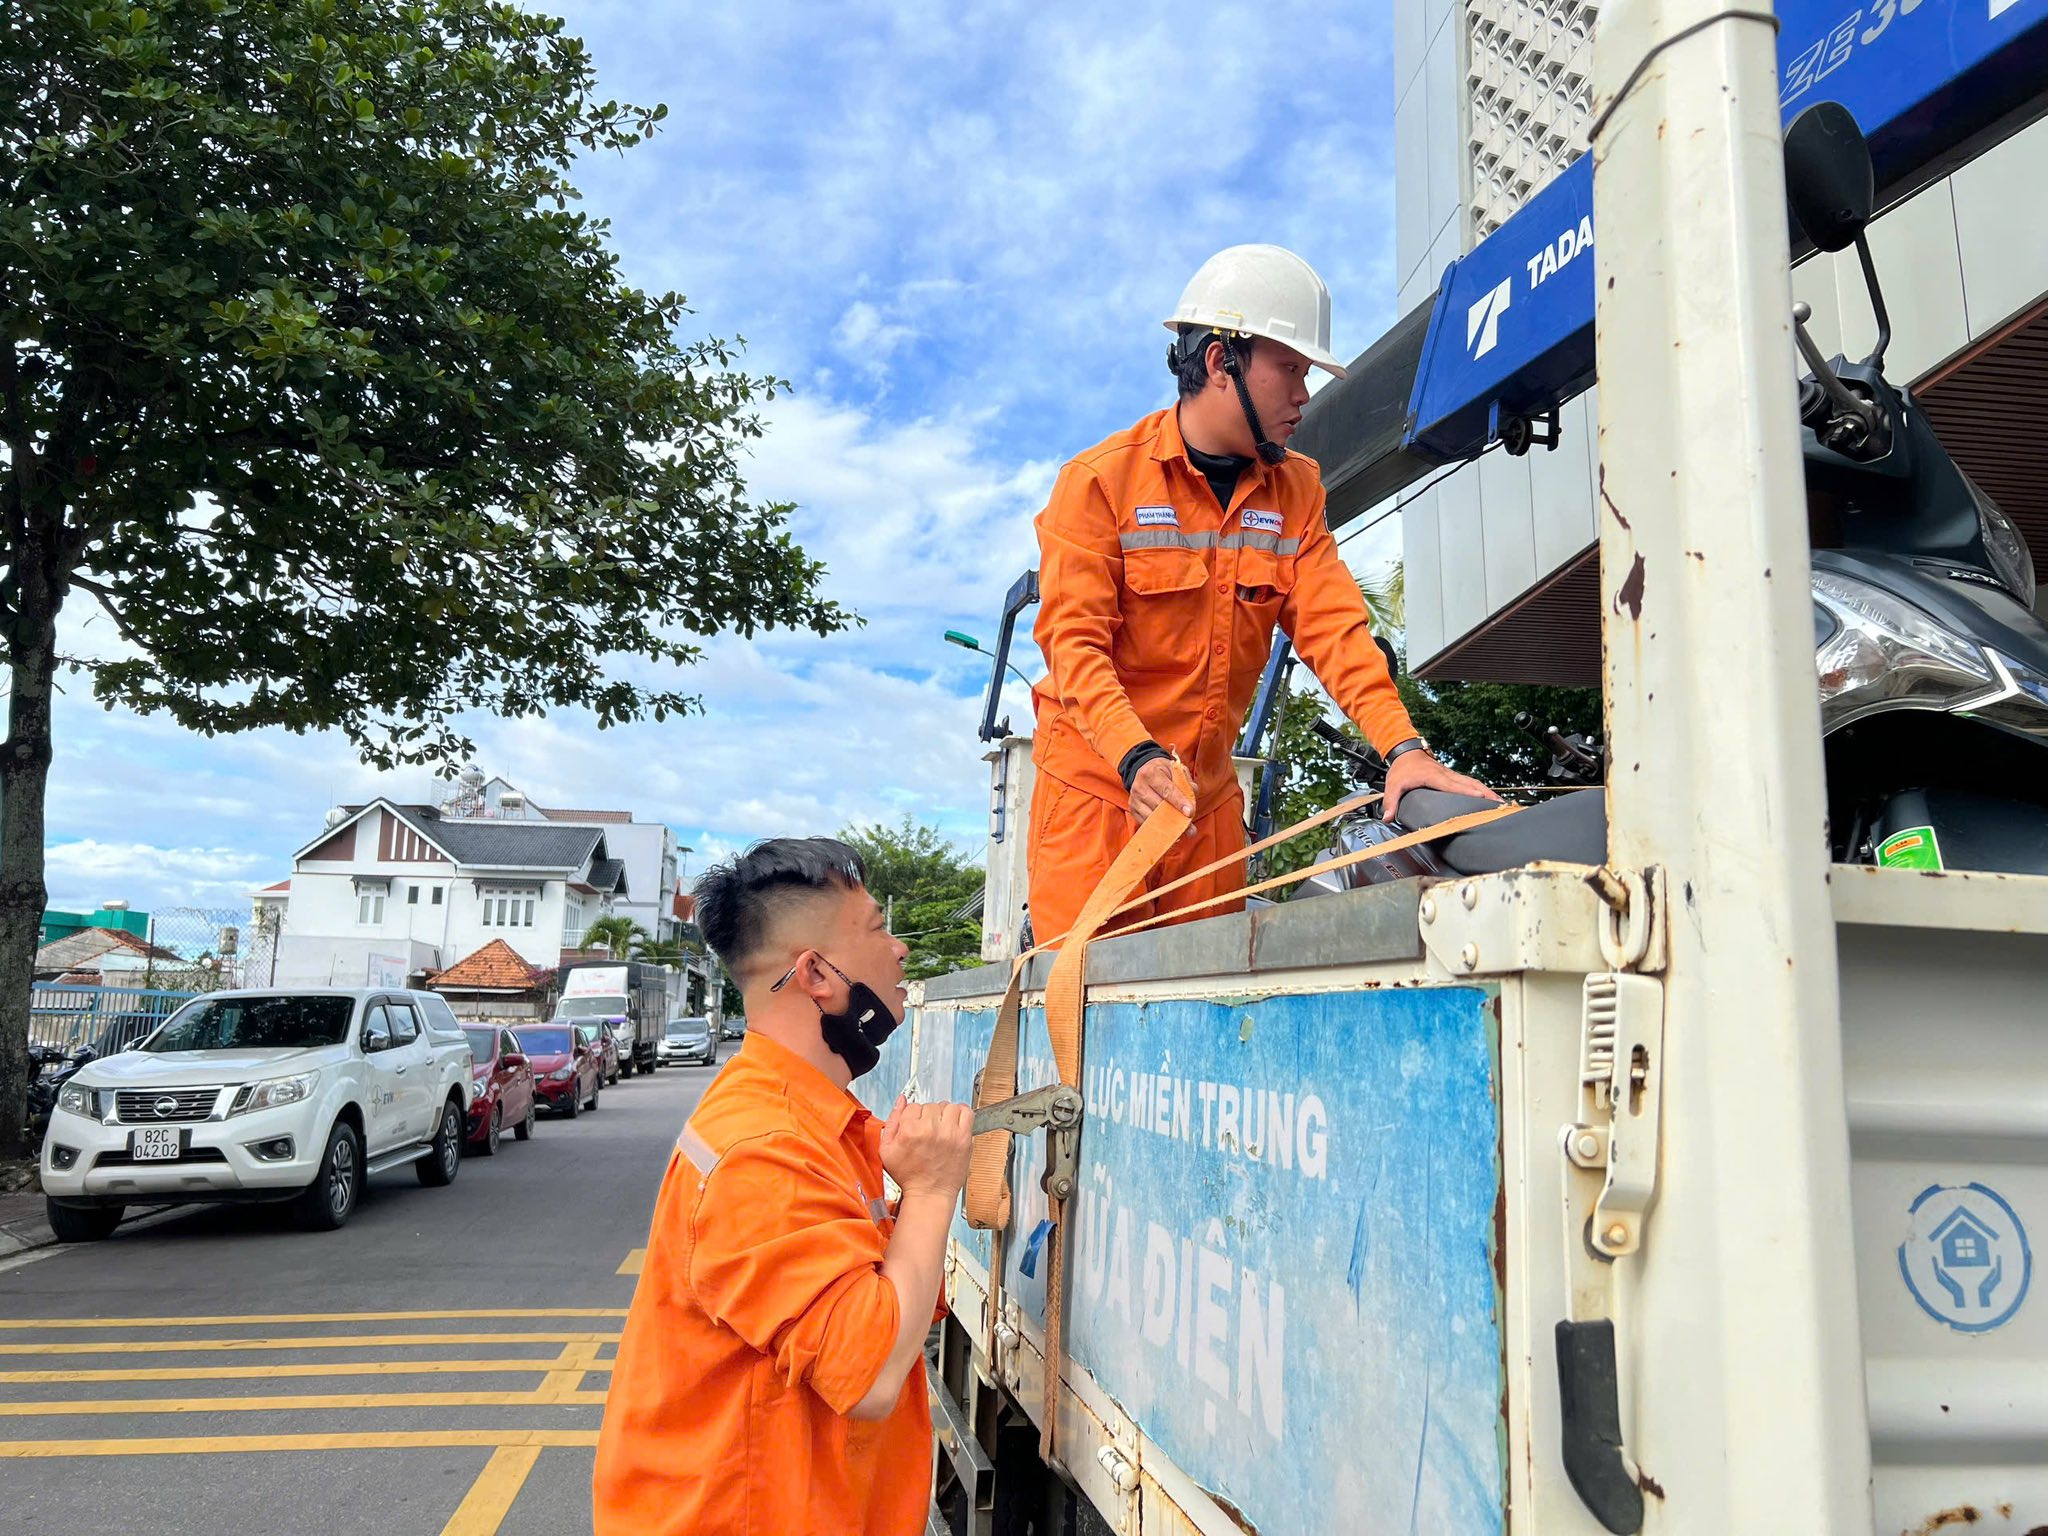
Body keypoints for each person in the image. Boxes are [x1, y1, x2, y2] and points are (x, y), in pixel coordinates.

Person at [1027, 244, 1495, 942]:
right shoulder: (1099, 483)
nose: (1304, 395)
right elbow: (1074, 645)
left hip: (1206, 813)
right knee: (1098, 1019)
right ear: (1222, 362)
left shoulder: (1296, 490)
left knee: (1206, 1016)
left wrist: (1405, 750)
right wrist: (1136, 756)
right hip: (1098, 803)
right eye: (1291, 370)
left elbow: (1336, 632)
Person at [593, 838, 972, 1536]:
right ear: (817, 975)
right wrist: (932, 1188)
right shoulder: (765, 1149)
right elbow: (873, 1375)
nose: (901, 951)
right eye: (878, 929)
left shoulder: (800, 1117)